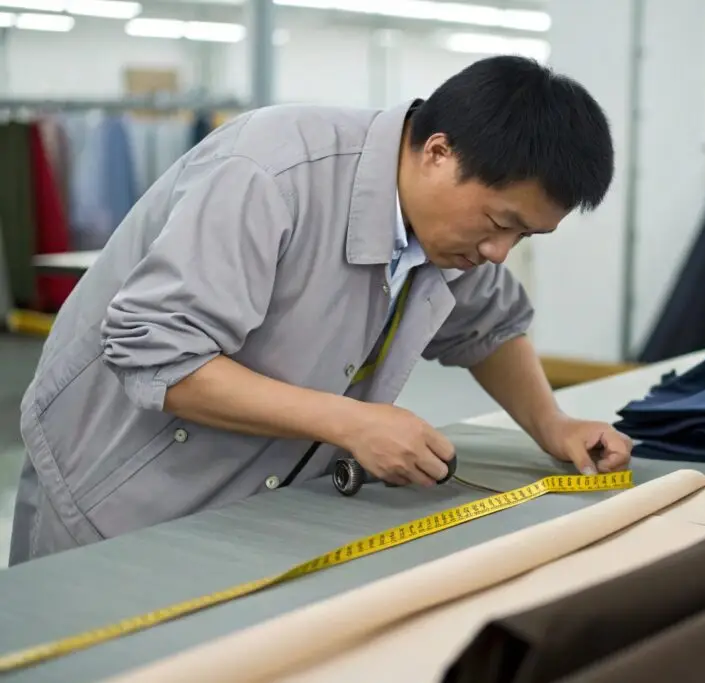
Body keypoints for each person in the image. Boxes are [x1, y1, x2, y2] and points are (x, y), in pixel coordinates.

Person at [10, 55, 631, 565]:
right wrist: (352, 423)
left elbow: (488, 326)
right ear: (438, 152)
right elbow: (159, 354)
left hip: (254, 501)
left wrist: (553, 425)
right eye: (501, 223)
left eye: (524, 238)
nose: (499, 252)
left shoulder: (449, 233)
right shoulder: (269, 171)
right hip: (112, 491)